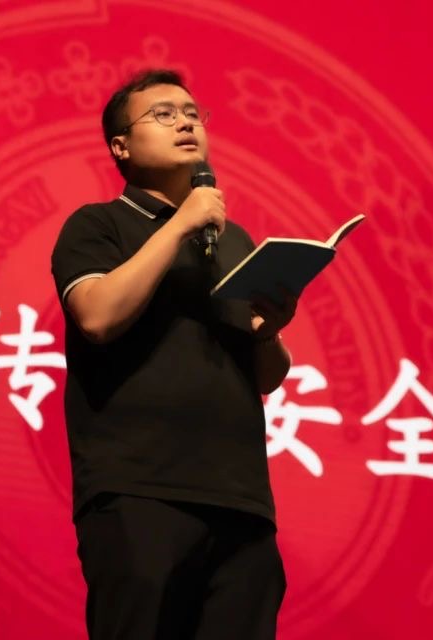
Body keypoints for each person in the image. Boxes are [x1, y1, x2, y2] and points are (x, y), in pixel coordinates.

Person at [50, 68, 298, 640]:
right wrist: (181, 223)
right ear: (121, 145)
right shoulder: (99, 225)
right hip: (140, 491)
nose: (185, 123)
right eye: (163, 114)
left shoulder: (234, 241)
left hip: (241, 502)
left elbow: (266, 377)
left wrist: (269, 333)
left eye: (192, 114)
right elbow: (97, 316)